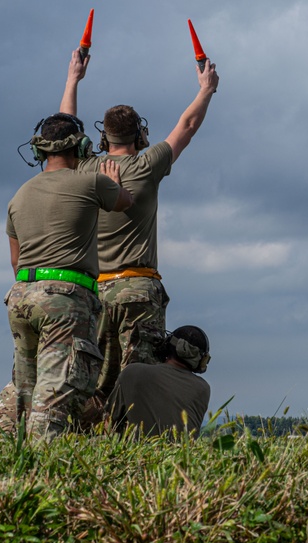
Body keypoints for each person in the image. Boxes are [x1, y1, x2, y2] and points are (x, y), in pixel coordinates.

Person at [60, 47, 219, 400]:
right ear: (138, 135)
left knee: (96, 380)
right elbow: (188, 126)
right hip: (139, 289)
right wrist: (206, 88)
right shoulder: (148, 166)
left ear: (105, 137)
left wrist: (73, 78)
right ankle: (136, 444)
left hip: (96, 290)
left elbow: (65, 130)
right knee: (140, 380)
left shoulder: (86, 169)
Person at [3, 112, 133, 440]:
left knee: (25, 392)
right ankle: (42, 477)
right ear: (83, 146)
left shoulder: (18, 196)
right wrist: (113, 181)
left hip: (20, 297)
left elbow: (16, 263)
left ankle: (3, 457)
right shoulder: (91, 182)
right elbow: (124, 202)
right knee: (53, 399)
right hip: (65, 299)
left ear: (39, 151)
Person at [106, 325, 212, 437]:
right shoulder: (203, 388)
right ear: (201, 360)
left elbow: (110, 420)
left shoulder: (132, 372)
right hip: (182, 454)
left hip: (141, 453)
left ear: (168, 345)